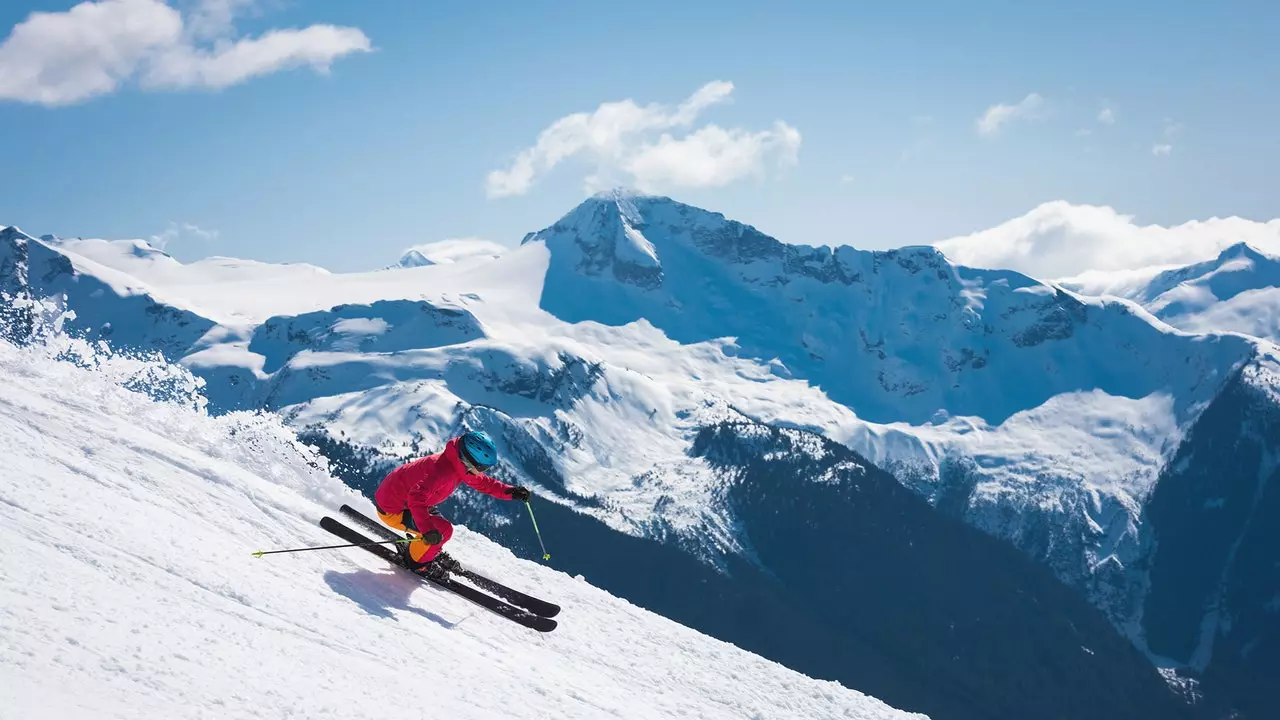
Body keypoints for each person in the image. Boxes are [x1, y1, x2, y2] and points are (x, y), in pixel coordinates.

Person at [373, 429, 531, 578]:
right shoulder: (443, 471)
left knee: (439, 530)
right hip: (393, 509)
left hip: (405, 501)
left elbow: (484, 483)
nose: (485, 471)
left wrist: (510, 492)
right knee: (443, 531)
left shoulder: (457, 463)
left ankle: (428, 549)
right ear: (470, 462)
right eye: (484, 467)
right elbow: (416, 497)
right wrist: (427, 531)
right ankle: (416, 563)